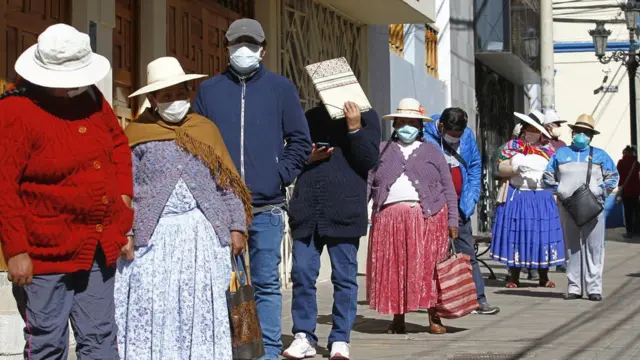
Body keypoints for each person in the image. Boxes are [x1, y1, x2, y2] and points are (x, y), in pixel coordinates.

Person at [0, 24, 133, 359]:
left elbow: (118, 146)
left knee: (101, 337)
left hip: (97, 246)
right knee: (47, 342)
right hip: (43, 254)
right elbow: (4, 185)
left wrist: (122, 204)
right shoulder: (14, 111)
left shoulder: (90, 97)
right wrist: (15, 250)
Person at [114, 57, 251, 359]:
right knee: (154, 305)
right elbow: (123, 188)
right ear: (152, 99)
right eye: (167, 96)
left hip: (203, 238)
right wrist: (124, 231)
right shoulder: (137, 134)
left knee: (203, 303)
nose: (175, 101)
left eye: (180, 94)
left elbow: (226, 183)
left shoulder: (205, 130)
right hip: (154, 239)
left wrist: (237, 227)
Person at [192, 18, 312, 359]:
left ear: (263, 50)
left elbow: (300, 141)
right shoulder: (209, 91)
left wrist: (280, 174)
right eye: (237, 44)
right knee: (223, 285)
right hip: (220, 206)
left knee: (266, 284)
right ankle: (230, 349)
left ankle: (269, 352)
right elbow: (196, 144)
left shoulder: (281, 88)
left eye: (250, 44)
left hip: (267, 207)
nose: (243, 50)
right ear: (227, 48)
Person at [283, 102, 380, 360]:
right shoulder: (310, 116)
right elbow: (292, 156)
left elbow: (369, 160)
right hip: (307, 209)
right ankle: (304, 335)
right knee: (302, 272)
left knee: (344, 278)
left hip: (344, 209)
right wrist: (307, 157)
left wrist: (354, 127)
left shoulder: (368, 116)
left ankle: (340, 338)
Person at [367, 98, 459, 335]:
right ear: (395, 124)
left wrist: (453, 220)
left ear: (419, 126)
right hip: (389, 219)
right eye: (402, 122)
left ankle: (434, 316)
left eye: (412, 122)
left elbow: (448, 187)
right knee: (397, 269)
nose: (407, 126)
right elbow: (368, 182)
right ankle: (398, 318)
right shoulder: (381, 149)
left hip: (429, 218)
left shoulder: (432, 151)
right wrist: (361, 212)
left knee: (429, 269)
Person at [424, 109, 500, 315]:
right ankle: (432, 300)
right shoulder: (424, 136)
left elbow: (475, 166)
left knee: (467, 254)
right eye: (452, 134)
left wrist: (470, 198)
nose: (455, 138)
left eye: (459, 134)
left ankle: (478, 300)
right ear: (441, 126)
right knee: (432, 255)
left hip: (460, 207)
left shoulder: (467, 137)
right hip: (433, 206)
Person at [544, 114, 619, 301]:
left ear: (591, 136)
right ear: (573, 132)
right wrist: (559, 190)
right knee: (571, 247)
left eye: (585, 132)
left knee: (595, 247)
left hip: (593, 208)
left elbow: (613, 177)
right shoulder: (560, 154)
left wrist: (600, 191)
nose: (581, 135)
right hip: (567, 207)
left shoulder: (600, 155)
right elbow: (546, 176)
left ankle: (594, 288)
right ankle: (574, 287)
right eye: (578, 131)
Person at [490, 110, 565, 288]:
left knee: (542, 236)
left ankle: (543, 276)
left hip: (542, 197)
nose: (532, 132)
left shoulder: (549, 150)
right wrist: (515, 169)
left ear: (541, 132)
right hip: (518, 196)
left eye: (535, 129)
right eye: (529, 128)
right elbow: (498, 168)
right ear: (523, 129)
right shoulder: (511, 147)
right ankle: (513, 276)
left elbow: (556, 171)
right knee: (517, 234)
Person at [542, 109, 568, 272]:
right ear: (548, 126)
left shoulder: (562, 145)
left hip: (562, 190)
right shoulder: (540, 144)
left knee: (562, 226)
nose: (559, 127)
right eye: (556, 124)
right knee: (545, 227)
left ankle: (561, 260)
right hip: (545, 191)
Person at [617, 145, 640, 238]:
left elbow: (618, 173)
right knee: (637, 211)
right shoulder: (636, 163)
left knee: (628, 212)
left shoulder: (621, 162)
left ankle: (629, 232)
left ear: (625, 153)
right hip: (636, 191)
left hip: (626, 191)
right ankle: (637, 230)